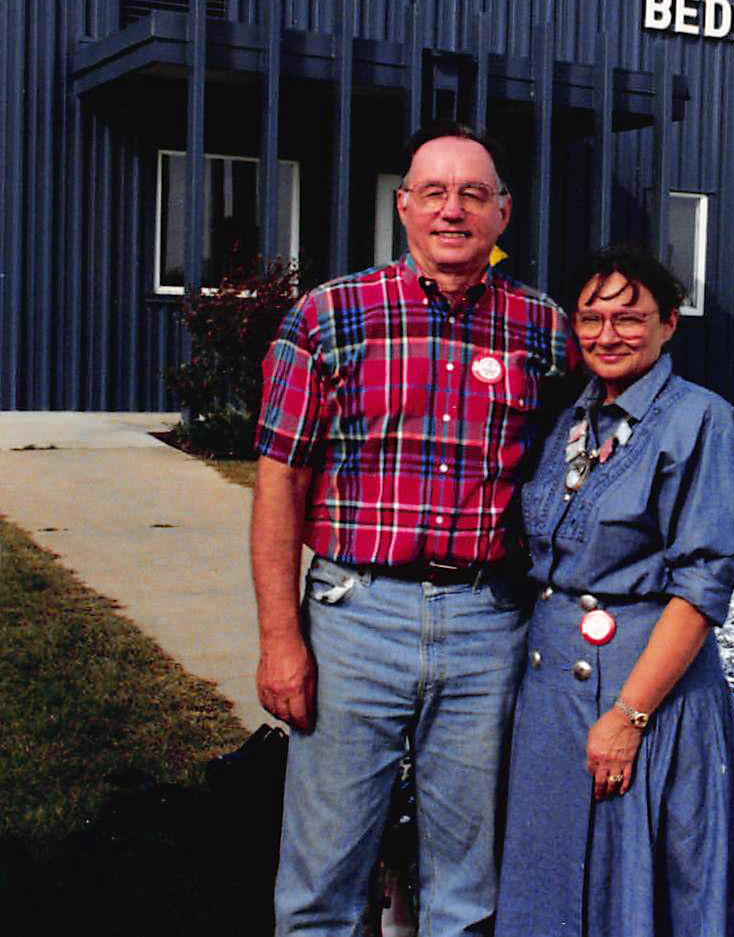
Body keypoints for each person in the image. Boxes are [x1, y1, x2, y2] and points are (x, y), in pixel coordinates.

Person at [251, 120, 576, 935]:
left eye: (473, 194)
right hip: (358, 616)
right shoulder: (331, 316)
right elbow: (279, 482)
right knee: (324, 881)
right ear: (404, 207)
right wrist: (279, 637)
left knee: (465, 891)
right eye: (434, 192)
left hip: (485, 623)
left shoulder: (543, 330)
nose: (453, 210)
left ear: (504, 212)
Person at [495, 248, 734, 937]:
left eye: (629, 317)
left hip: (646, 698)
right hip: (552, 701)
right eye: (592, 316)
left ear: (670, 323)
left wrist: (628, 716)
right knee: (552, 884)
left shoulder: (700, 421)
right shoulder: (566, 416)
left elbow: (703, 586)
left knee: (632, 890)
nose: (607, 333)